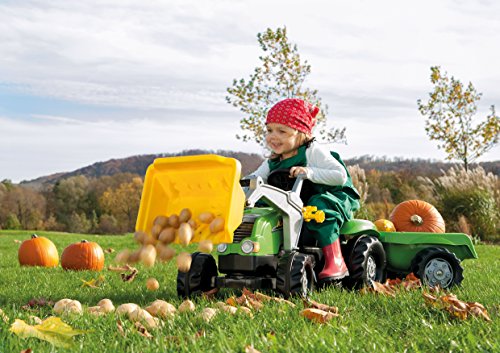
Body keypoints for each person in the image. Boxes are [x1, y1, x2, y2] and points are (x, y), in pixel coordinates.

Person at [249, 98, 360, 284]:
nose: (273, 136)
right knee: (262, 205)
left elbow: (339, 175)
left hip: (330, 196)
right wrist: (241, 187)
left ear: (300, 132)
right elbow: (255, 179)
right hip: (294, 201)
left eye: (281, 131)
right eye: (269, 130)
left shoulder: (312, 151)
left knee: (319, 208)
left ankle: (336, 260)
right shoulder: (272, 161)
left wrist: (309, 172)